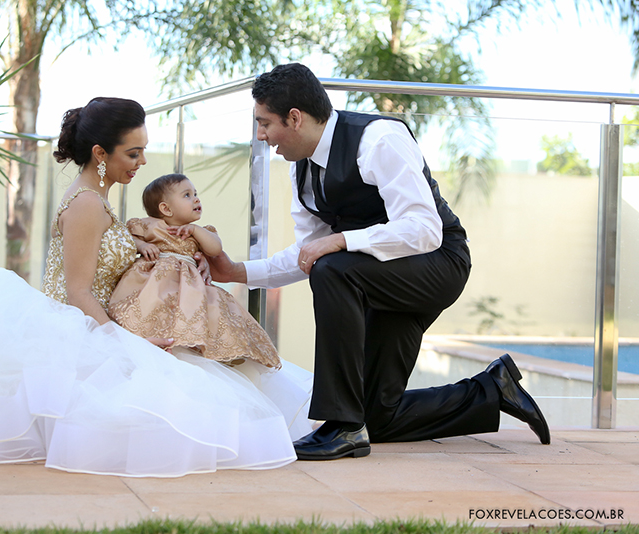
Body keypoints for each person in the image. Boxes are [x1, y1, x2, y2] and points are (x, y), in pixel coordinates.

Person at [0, 97, 311, 477]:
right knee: (183, 392)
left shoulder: (98, 199)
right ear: (100, 153)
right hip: (80, 325)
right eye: (133, 153)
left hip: (103, 316)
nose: (142, 163)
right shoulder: (86, 205)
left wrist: (169, 255)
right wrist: (129, 344)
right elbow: (78, 292)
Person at [207, 63, 551, 461]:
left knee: (332, 270)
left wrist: (342, 240)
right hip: (380, 278)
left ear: (295, 118)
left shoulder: (378, 139)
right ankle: (493, 389)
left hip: (438, 263)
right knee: (378, 417)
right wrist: (237, 272)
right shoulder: (301, 171)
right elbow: (308, 251)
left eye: (264, 123)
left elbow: (424, 228)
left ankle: (341, 425)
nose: (261, 136)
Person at [108, 173, 279, 369]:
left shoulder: (201, 231)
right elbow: (129, 238)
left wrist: (196, 231)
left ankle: (217, 348)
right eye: (187, 195)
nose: (196, 199)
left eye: (195, 194)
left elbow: (215, 248)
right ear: (166, 208)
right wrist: (142, 245)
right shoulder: (148, 225)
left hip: (190, 288)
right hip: (157, 282)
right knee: (153, 307)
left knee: (208, 308)